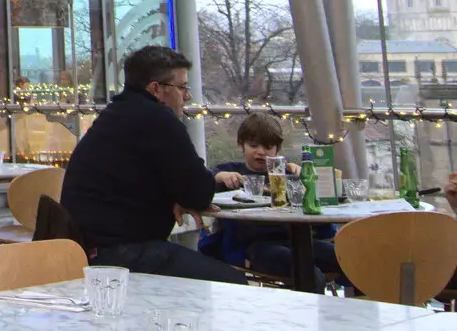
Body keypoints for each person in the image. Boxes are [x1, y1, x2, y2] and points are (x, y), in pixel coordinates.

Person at [60, 45, 247, 283]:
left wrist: (177, 195)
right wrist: (185, 195)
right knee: (234, 283)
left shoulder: (115, 115)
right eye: (181, 87)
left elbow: (147, 180)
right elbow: (199, 193)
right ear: (156, 89)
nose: (187, 96)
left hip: (85, 250)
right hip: (120, 256)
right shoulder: (158, 120)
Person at [199, 112, 341, 290]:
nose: (261, 152)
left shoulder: (285, 172)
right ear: (241, 145)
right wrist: (220, 177)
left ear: (277, 150)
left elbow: (312, 201)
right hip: (255, 246)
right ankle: (311, 310)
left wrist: (301, 179)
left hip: (296, 238)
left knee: (348, 258)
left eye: (268, 147)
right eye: (253, 145)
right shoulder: (231, 171)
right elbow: (203, 181)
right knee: (308, 272)